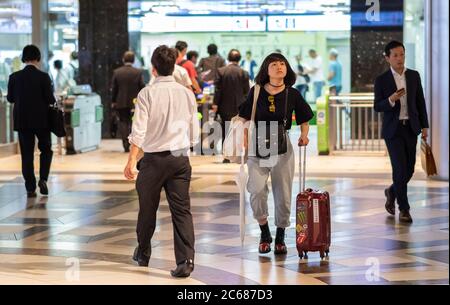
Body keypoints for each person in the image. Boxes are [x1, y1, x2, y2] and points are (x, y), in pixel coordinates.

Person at [124, 45, 200, 278]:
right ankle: (185, 261)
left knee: (147, 209)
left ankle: (144, 253)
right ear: (174, 65)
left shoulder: (147, 93)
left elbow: (139, 130)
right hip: (179, 159)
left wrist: (131, 160)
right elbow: (194, 132)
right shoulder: (186, 93)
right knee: (182, 211)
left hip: (153, 160)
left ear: (153, 68)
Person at [238, 53, 314, 255]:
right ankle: (264, 231)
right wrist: (243, 136)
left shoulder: (293, 93)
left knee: (284, 194)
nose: (279, 67)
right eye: (274, 64)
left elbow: (305, 119)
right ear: (266, 69)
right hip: (257, 146)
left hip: (282, 147)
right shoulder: (255, 92)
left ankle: (280, 236)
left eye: (282, 64)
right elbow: (243, 117)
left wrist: (304, 136)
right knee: (256, 190)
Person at [374, 41, 429, 223]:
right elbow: (377, 106)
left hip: (411, 128)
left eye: (402, 54)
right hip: (393, 130)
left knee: (410, 169)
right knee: (399, 169)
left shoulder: (413, 76)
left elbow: (420, 102)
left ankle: (392, 191)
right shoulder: (382, 80)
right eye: (395, 55)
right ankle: (404, 209)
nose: (399, 58)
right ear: (387, 58)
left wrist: (425, 126)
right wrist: (391, 99)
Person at [7, 45, 56, 198]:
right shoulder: (43, 77)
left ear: (24, 58)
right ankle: (43, 179)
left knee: (27, 154)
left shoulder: (14, 77)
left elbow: (10, 98)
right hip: (42, 120)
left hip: (23, 121)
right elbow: (50, 99)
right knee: (46, 149)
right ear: (38, 58)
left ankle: (30, 187)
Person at [213, 49, 250, 163]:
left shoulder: (221, 71)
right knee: (238, 130)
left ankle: (227, 155)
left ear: (228, 58)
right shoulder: (243, 72)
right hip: (240, 106)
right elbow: (247, 92)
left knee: (226, 130)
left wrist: (215, 104)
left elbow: (218, 90)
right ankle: (238, 154)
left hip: (224, 106)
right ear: (239, 59)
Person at [111, 51, 145, 152]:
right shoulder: (138, 72)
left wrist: (113, 101)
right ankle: (133, 144)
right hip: (135, 102)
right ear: (134, 60)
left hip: (121, 102)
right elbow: (142, 87)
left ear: (123, 59)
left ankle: (125, 144)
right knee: (134, 123)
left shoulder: (117, 72)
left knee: (123, 122)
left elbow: (114, 88)